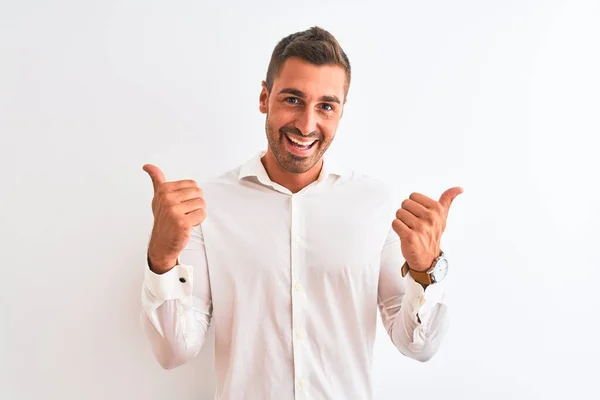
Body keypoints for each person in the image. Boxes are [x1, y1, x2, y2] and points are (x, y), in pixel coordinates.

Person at [140, 26, 463, 399]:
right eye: (292, 100)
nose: (307, 125)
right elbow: (173, 351)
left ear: (341, 112)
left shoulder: (378, 205)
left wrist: (425, 270)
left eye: (326, 106)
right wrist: (161, 260)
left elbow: (417, 346)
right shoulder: (206, 205)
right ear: (264, 97)